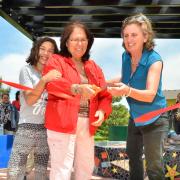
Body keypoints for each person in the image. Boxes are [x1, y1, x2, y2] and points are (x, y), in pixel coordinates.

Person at [43, 21, 112, 180]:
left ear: (88, 42)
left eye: (83, 39)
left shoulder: (93, 66)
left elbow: (104, 94)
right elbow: (52, 84)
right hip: (61, 123)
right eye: (74, 39)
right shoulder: (56, 60)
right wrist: (76, 88)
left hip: (87, 124)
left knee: (86, 167)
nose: (79, 43)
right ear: (66, 42)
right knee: (61, 169)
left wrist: (102, 111)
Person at [107, 13, 169, 180]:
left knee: (154, 166)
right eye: (126, 35)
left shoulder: (155, 60)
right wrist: (103, 84)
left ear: (145, 36)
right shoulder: (125, 56)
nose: (129, 39)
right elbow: (126, 80)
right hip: (136, 118)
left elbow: (150, 95)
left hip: (155, 119)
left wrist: (126, 91)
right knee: (133, 158)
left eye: (134, 34)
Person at [7, 37, 60, 180]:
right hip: (26, 126)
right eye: (42, 49)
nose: (46, 53)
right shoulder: (27, 70)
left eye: (50, 51)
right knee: (15, 170)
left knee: (41, 173)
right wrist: (44, 80)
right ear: (35, 50)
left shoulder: (55, 74)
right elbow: (30, 99)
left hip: (46, 128)